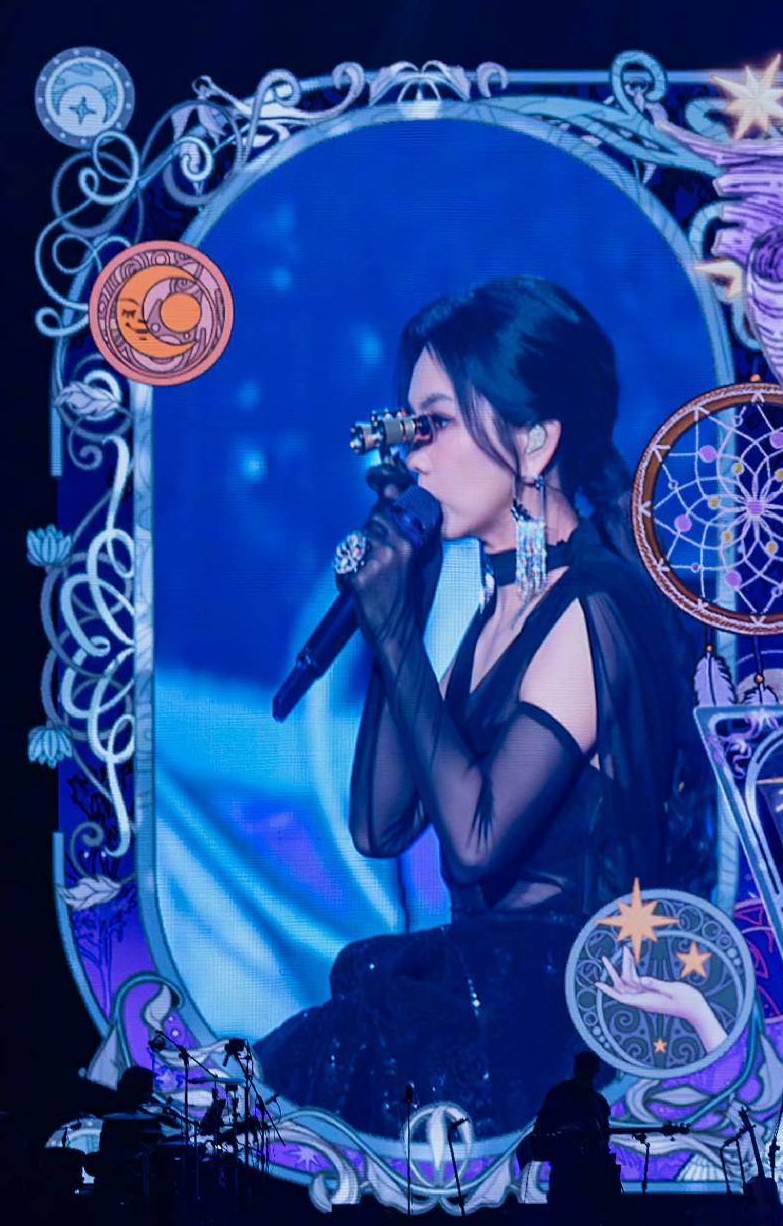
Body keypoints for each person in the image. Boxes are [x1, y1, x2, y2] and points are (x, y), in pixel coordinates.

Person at [256, 277, 686, 1138]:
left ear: (535, 440)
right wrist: (402, 612)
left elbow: (479, 837)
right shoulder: (501, 610)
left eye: (438, 424)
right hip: (481, 996)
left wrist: (398, 637)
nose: (416, 459)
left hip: (556, 1012)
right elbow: (380, 826)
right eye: (411, 429)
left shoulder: (595, 607)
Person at [520, 1051, 615, 1226]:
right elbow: (542, 1130)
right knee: (563, 1216)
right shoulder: (560, 1095)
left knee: (589, 1216)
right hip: (566, 1168)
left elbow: (603, 1136)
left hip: (592, 1172)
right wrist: (567, 1135)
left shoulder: (597, 1101)